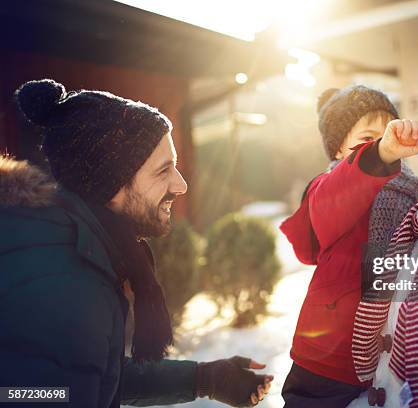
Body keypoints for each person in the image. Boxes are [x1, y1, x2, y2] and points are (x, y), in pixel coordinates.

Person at [0, 79, 272, 408]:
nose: (181, 185)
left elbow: (85, 377)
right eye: (163, 171)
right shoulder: (66, 282)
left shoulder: (72, 246)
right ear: (109, 185)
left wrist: (205, 378)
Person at [279, 85, 418, 407]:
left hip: (387, 352)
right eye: (366, 139)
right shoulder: (328, 188)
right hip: (328, 357)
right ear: (337, 150)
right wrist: (380, 155)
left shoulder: (408, 190)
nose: (381, 143)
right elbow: (341, 193)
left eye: (388, 133)